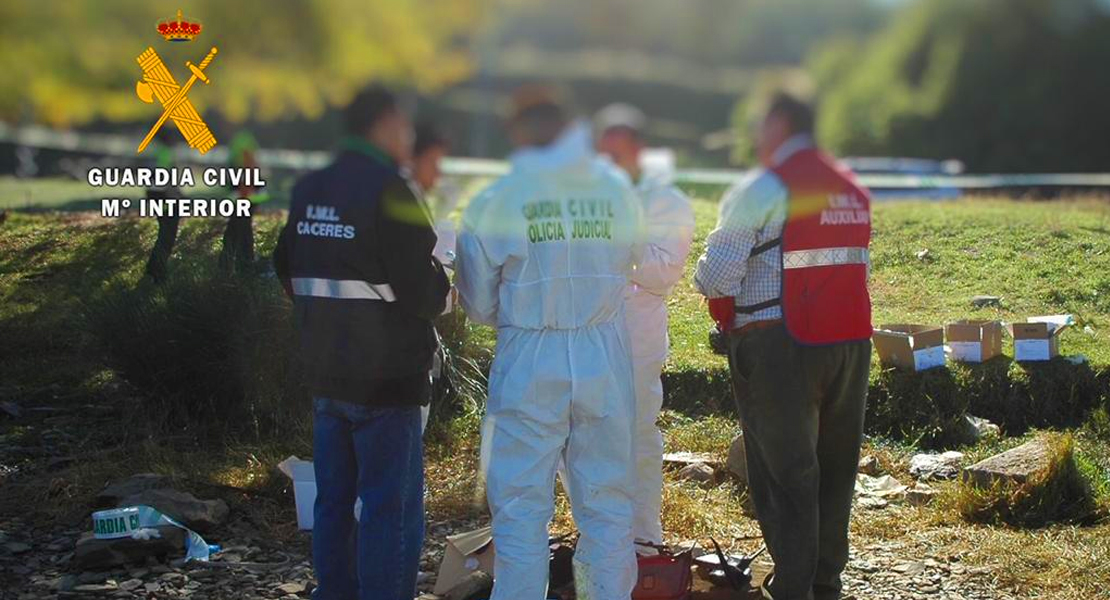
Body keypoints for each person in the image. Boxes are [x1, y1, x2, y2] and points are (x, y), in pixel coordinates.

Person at [455, 86, 643, 600]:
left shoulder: (497, 199)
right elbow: (635, 258)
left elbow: (476, 301)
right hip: (601, 350)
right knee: (607, 503)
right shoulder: (615, 190)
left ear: (518, 133)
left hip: (529, 354)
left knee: (519, 508)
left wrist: (524, 317)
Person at [273, 85, 449, 600]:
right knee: (388, 511)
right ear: (389, 121)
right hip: (388, 385)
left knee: (332, 503)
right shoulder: (391, 191)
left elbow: (285, 266)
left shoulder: (310, 188)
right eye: (407, 127)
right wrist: (445, 282)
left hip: (326, 374)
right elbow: (425, 293)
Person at [694, 93, 873, 600]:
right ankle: (824, 583)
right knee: (836, 470)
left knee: (786, 475)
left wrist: (700, 278)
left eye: (759, 120)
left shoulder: (763, 186)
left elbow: (718, 275)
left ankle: (793, 588)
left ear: (779, 123)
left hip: (779, 346)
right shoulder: (850, 187)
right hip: (849, 343)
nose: (754, 130)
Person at [594, 103, 695, 547]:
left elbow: (661, 272)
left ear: (638, 151)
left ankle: (644, 542)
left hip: (637, 338)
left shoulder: (667, 202)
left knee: (637, 440)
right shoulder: (585, 194)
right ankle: (598, 539)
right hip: (587, 336)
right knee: (587, 440)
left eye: (618, 155)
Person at [218, 130, 269, 272]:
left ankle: (231, 268)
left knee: (236, 234)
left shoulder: (240, 140)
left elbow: (247, 167)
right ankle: (241, 268)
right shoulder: (242, 140)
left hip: (242, 198)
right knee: (239, 234)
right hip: (244, 198)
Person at [143, 128, 182, 283]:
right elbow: (167, 180)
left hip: (154, 196)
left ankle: (153, 269)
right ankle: (157, 272)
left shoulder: (155, 151)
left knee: (164, 234)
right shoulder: (166, 153)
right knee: (167, 236)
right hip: (165, 198)